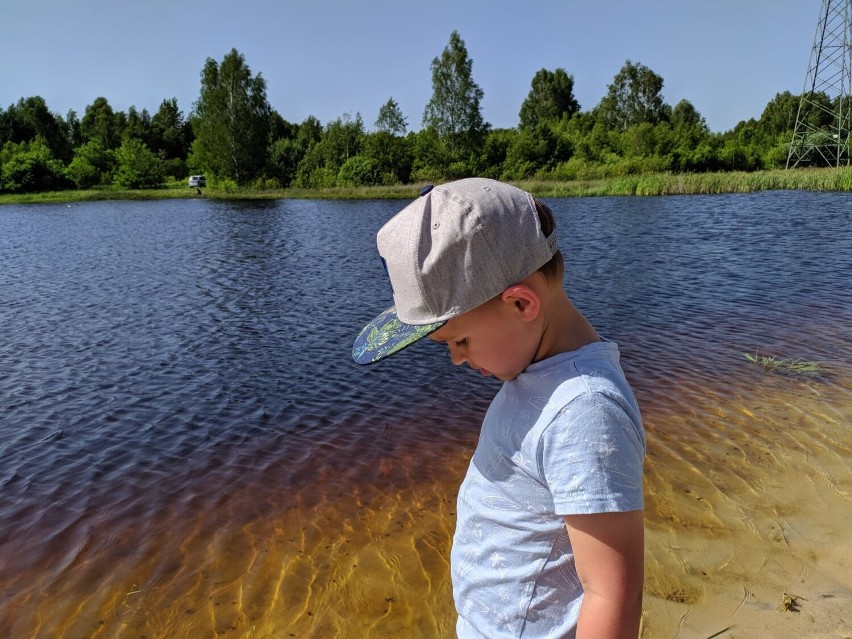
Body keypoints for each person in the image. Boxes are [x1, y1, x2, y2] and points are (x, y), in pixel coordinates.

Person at [352, 178, 645, 638]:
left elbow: (612, 593)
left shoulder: (585, 410)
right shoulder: (536, 371)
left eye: (460, 340)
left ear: (520, 302)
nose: (456, 359)